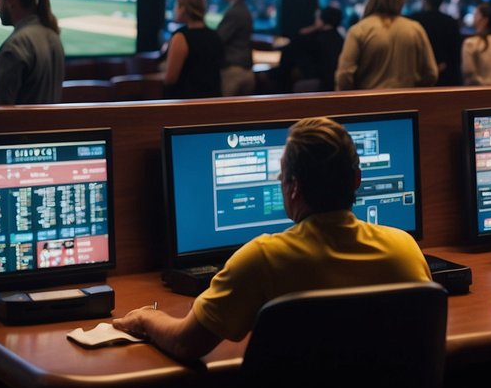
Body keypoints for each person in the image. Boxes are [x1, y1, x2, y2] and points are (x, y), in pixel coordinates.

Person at [113, 116, 431, 361]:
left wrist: (146, 317)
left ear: (293, 188)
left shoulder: (262, 259)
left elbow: (185, 342)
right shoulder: (403, 249)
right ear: (357, 179)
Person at [335, 0, 438, 90]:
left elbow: (344, 75)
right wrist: (414, 89)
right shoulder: (415, 29)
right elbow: (431, 73)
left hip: (368, 103)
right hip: (407, 103)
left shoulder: (359, 30)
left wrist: (354, 96)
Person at [0, 0, 65, 104]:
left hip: (20, 125)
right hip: (48, 124)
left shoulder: (17, 45)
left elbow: (1, 111)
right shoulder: (53, 36)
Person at [163, 0, 222, 99]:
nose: (174, 10)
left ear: (183, 9)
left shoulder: (181, 37)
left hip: (186, 101)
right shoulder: (214, 35)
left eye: (176, 7)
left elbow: (170, 78)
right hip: (212, 99)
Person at [279, 6, 344, 92]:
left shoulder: (316, 40)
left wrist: (308, 30)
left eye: (317, 18)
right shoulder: (340, 39)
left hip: (322, 85)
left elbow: (290, 50)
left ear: (322, 20)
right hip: (334, 83)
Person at [410, 0, 462, 86]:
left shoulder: (414, 20)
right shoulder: (450, 22)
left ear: (426, 0)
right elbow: (456, 53)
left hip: (419, 75)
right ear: (442, 2)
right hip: (446, 77)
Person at [216, 0, 254, 96]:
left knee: (226, 111)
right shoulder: (244, 9)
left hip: (234, 70)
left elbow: (219, 38)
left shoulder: (234, 11)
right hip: (246, 69)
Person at [461, 3, 491, 86]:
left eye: (476, 14)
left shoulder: (470, 43)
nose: (473, 17)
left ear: (484, 20)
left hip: (477, 94)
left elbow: (468, 73)